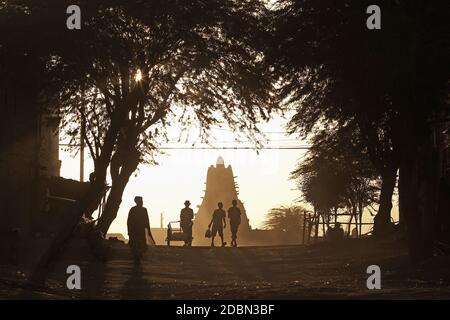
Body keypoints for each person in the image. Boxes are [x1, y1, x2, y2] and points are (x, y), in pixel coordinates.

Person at [127, 196, 151, 266]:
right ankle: (137, 256)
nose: (142, 202)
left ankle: (137, 256)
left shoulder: (134, 209)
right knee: (137, 244)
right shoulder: (142, 210)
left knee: (138, 244)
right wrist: (148, 231)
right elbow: (146, 221)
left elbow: (129, 221)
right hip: (137, 230)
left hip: (137, 230)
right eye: (141, 200)